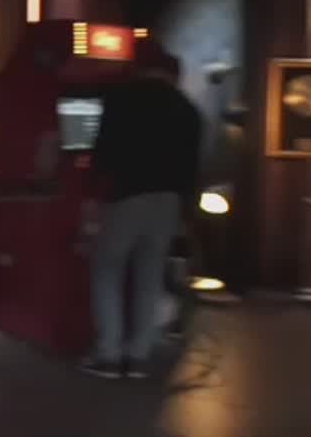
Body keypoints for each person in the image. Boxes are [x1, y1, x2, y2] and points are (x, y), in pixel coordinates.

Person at [82, 42, 202, 379]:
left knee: (107, 270)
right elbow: (192, 168)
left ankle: (108, 354)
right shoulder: (188, 109)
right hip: (168, 201)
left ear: (140, 68)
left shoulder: (122, 98)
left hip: (126, 197)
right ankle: (138, 356)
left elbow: (103, 150)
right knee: (149, 276)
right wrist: (186, 214)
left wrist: (91, 194)